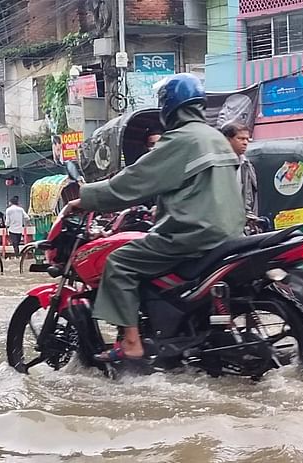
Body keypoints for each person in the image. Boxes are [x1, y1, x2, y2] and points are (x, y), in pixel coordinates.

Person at [66, 73, 245, 363]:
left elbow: (132, 182)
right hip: (229, 234)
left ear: (169, 106)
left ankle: (132, 343)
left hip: (191, 235)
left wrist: (84, 198)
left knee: (120, 262)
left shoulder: (180, 140)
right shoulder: (215, 137)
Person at [222, 122, 258, 217]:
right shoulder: (219, 164)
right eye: (241, 139)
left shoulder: (246, 165)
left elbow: (249, 196)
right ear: (228, 140)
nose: (245, 143)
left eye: (247, 139)